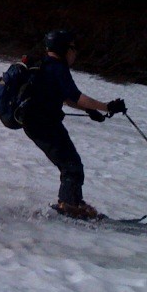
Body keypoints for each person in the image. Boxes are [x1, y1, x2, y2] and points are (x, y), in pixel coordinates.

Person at [21, 30, 126, 219]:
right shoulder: (57, 67)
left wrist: (89, 110)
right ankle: (68, 206)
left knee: (71, 163)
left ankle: (73, 202)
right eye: (73, 48)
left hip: (39, 123)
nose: (75, 52)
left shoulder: (45, 64)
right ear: (63, 48)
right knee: (71, 166)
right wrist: (107, 106)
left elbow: (66, 97)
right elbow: (76, 96)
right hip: (44, 124)